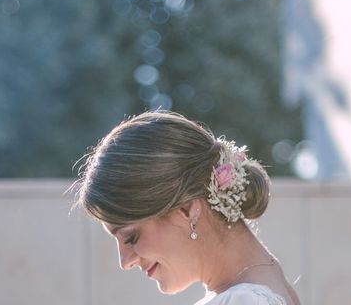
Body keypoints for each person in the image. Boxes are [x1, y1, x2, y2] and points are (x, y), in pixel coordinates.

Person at [73, 111, 301, 305]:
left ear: (186, 209)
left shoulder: (243, 301)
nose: (125, 262)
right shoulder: (264, 287)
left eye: (131, 237)